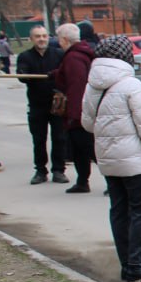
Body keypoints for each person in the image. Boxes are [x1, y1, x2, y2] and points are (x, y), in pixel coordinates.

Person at [82, 36, 141, 282]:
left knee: (119, 211)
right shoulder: (131, 85)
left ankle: (127, 264)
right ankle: (137, 264)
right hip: (134, 162)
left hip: (108, 160)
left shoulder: (92, 85)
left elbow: (87, 123)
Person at [17, 25, 67, 185]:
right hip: (37, 104)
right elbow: (22, 75)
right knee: (38, 139)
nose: (42, 39)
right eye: (38, 36)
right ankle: (40, 171)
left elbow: (65, 74)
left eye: (44, 36)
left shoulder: (58, 54)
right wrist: (24, 75)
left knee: (59, 138)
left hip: (57, 103)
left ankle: (58, 170)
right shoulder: (25, 56)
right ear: (31, 39)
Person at [50, 23, 97, 193]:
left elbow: (77, 85)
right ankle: (82, 181)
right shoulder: (80, 53)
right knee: (80, 150)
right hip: (83, 111)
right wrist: (57, 74)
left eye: (59, 39)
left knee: (87, 149)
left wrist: (75, 115)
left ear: (64, 39)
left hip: (79, 114)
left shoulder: (73, 57)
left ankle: (111, 183)